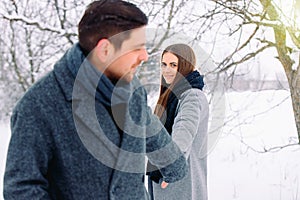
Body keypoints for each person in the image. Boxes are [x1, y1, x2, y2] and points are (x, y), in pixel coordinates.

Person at [3, 1, 188, 199]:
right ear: (104, 50)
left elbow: (151, 133)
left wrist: (175, 167)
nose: (144, 55)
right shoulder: (37, 106)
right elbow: (21, 189)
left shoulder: (133, 90)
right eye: (136, 48)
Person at [147, 43, 209, 200]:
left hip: (178, 183)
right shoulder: (172, 95)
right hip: (167, 180)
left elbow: (184, 130)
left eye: (173, 65)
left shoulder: (191, 96)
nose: (167, 69)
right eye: (164, 64)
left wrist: (172, 167)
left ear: (185, 66)